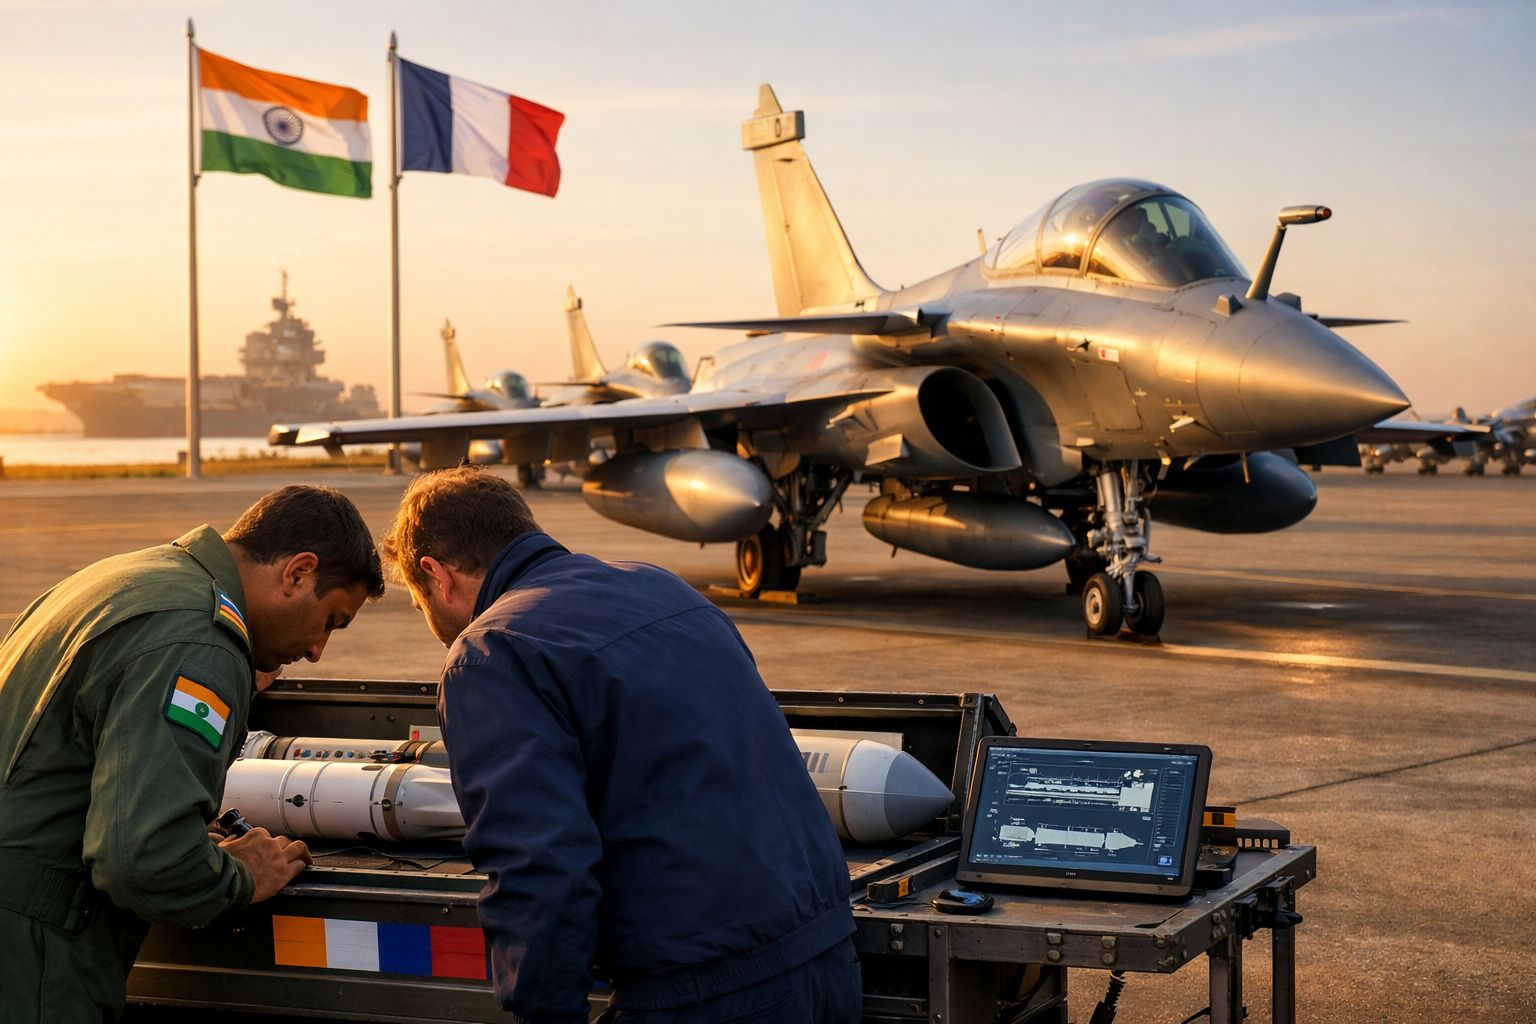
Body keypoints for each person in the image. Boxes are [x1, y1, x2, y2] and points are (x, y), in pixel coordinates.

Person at [381, 466, 859, 1024]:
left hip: (706, 991)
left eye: (420, 603)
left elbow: (538, 866)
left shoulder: (492, 651)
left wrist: (545, 1014)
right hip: (826, 958)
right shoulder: (662, 586)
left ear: (436, 575)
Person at [0, 484, 385, 1024]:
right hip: (32, 960)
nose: (318, 650)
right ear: (298, 573)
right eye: (330, 620)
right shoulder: (199, 641)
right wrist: (241, 874)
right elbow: (145, 862)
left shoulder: (119, 580)